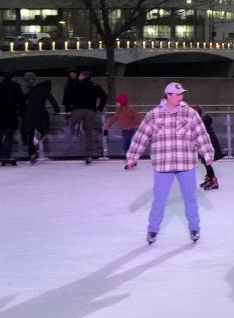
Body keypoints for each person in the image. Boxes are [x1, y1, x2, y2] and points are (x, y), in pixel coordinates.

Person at [125, 82, 215, 245]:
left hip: (185, 163)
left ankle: (194, 228)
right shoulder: (154, 115)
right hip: (163, 165)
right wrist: (132, 157)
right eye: (178, 94)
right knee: (159, 199)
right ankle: (152, 230)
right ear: (168, 95)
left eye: (182, 94)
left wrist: (207, 153)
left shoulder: (190, 113)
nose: (181, 96)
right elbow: (141, 136)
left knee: (190, 198)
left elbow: (201, 134)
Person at [21, 72, 60, 164]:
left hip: (31, 114)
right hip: (41, 112)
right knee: (44, 129)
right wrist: (57, 110)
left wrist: (21, 110)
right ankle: (39, 137)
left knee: (30, 134)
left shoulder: (32, 90)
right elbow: (52, 99)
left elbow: (23, 99)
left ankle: (32, 154)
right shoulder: (43, 90)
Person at [71, 69, 107, 163]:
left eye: (80, 75)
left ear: (83, 76)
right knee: (89, 133)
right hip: (91, 111)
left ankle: (75, 130)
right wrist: (100, 108)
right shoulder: (95, 86)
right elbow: (104, 96)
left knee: (71, 124)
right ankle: (88, 155)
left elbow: (68, 96)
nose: (78, 77)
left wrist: (70, 108)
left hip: (77, 109)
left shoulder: (75, 85)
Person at [194, 105, 224, 190]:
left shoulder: (201, 121)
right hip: (206, 144)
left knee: (207, 163)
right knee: (205, 163)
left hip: (210, 144)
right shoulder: (199, 121)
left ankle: (213, 181)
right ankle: (209, 178)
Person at [0, 72, 25, 165]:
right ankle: (6, 154)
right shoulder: (15, 86)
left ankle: (1, 154)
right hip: (11, 115)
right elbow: (21, 100)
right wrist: (23, 111)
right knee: (8, 136)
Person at [62, 67, 80, 136]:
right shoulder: (67, 84)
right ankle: (70, 134)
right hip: (68, 106)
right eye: (71, 74)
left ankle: (75, 134)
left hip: (77, 106)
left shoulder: (79, 83)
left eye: (74, 74)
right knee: (68, 121)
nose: (72, 75)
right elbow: (66, 96)